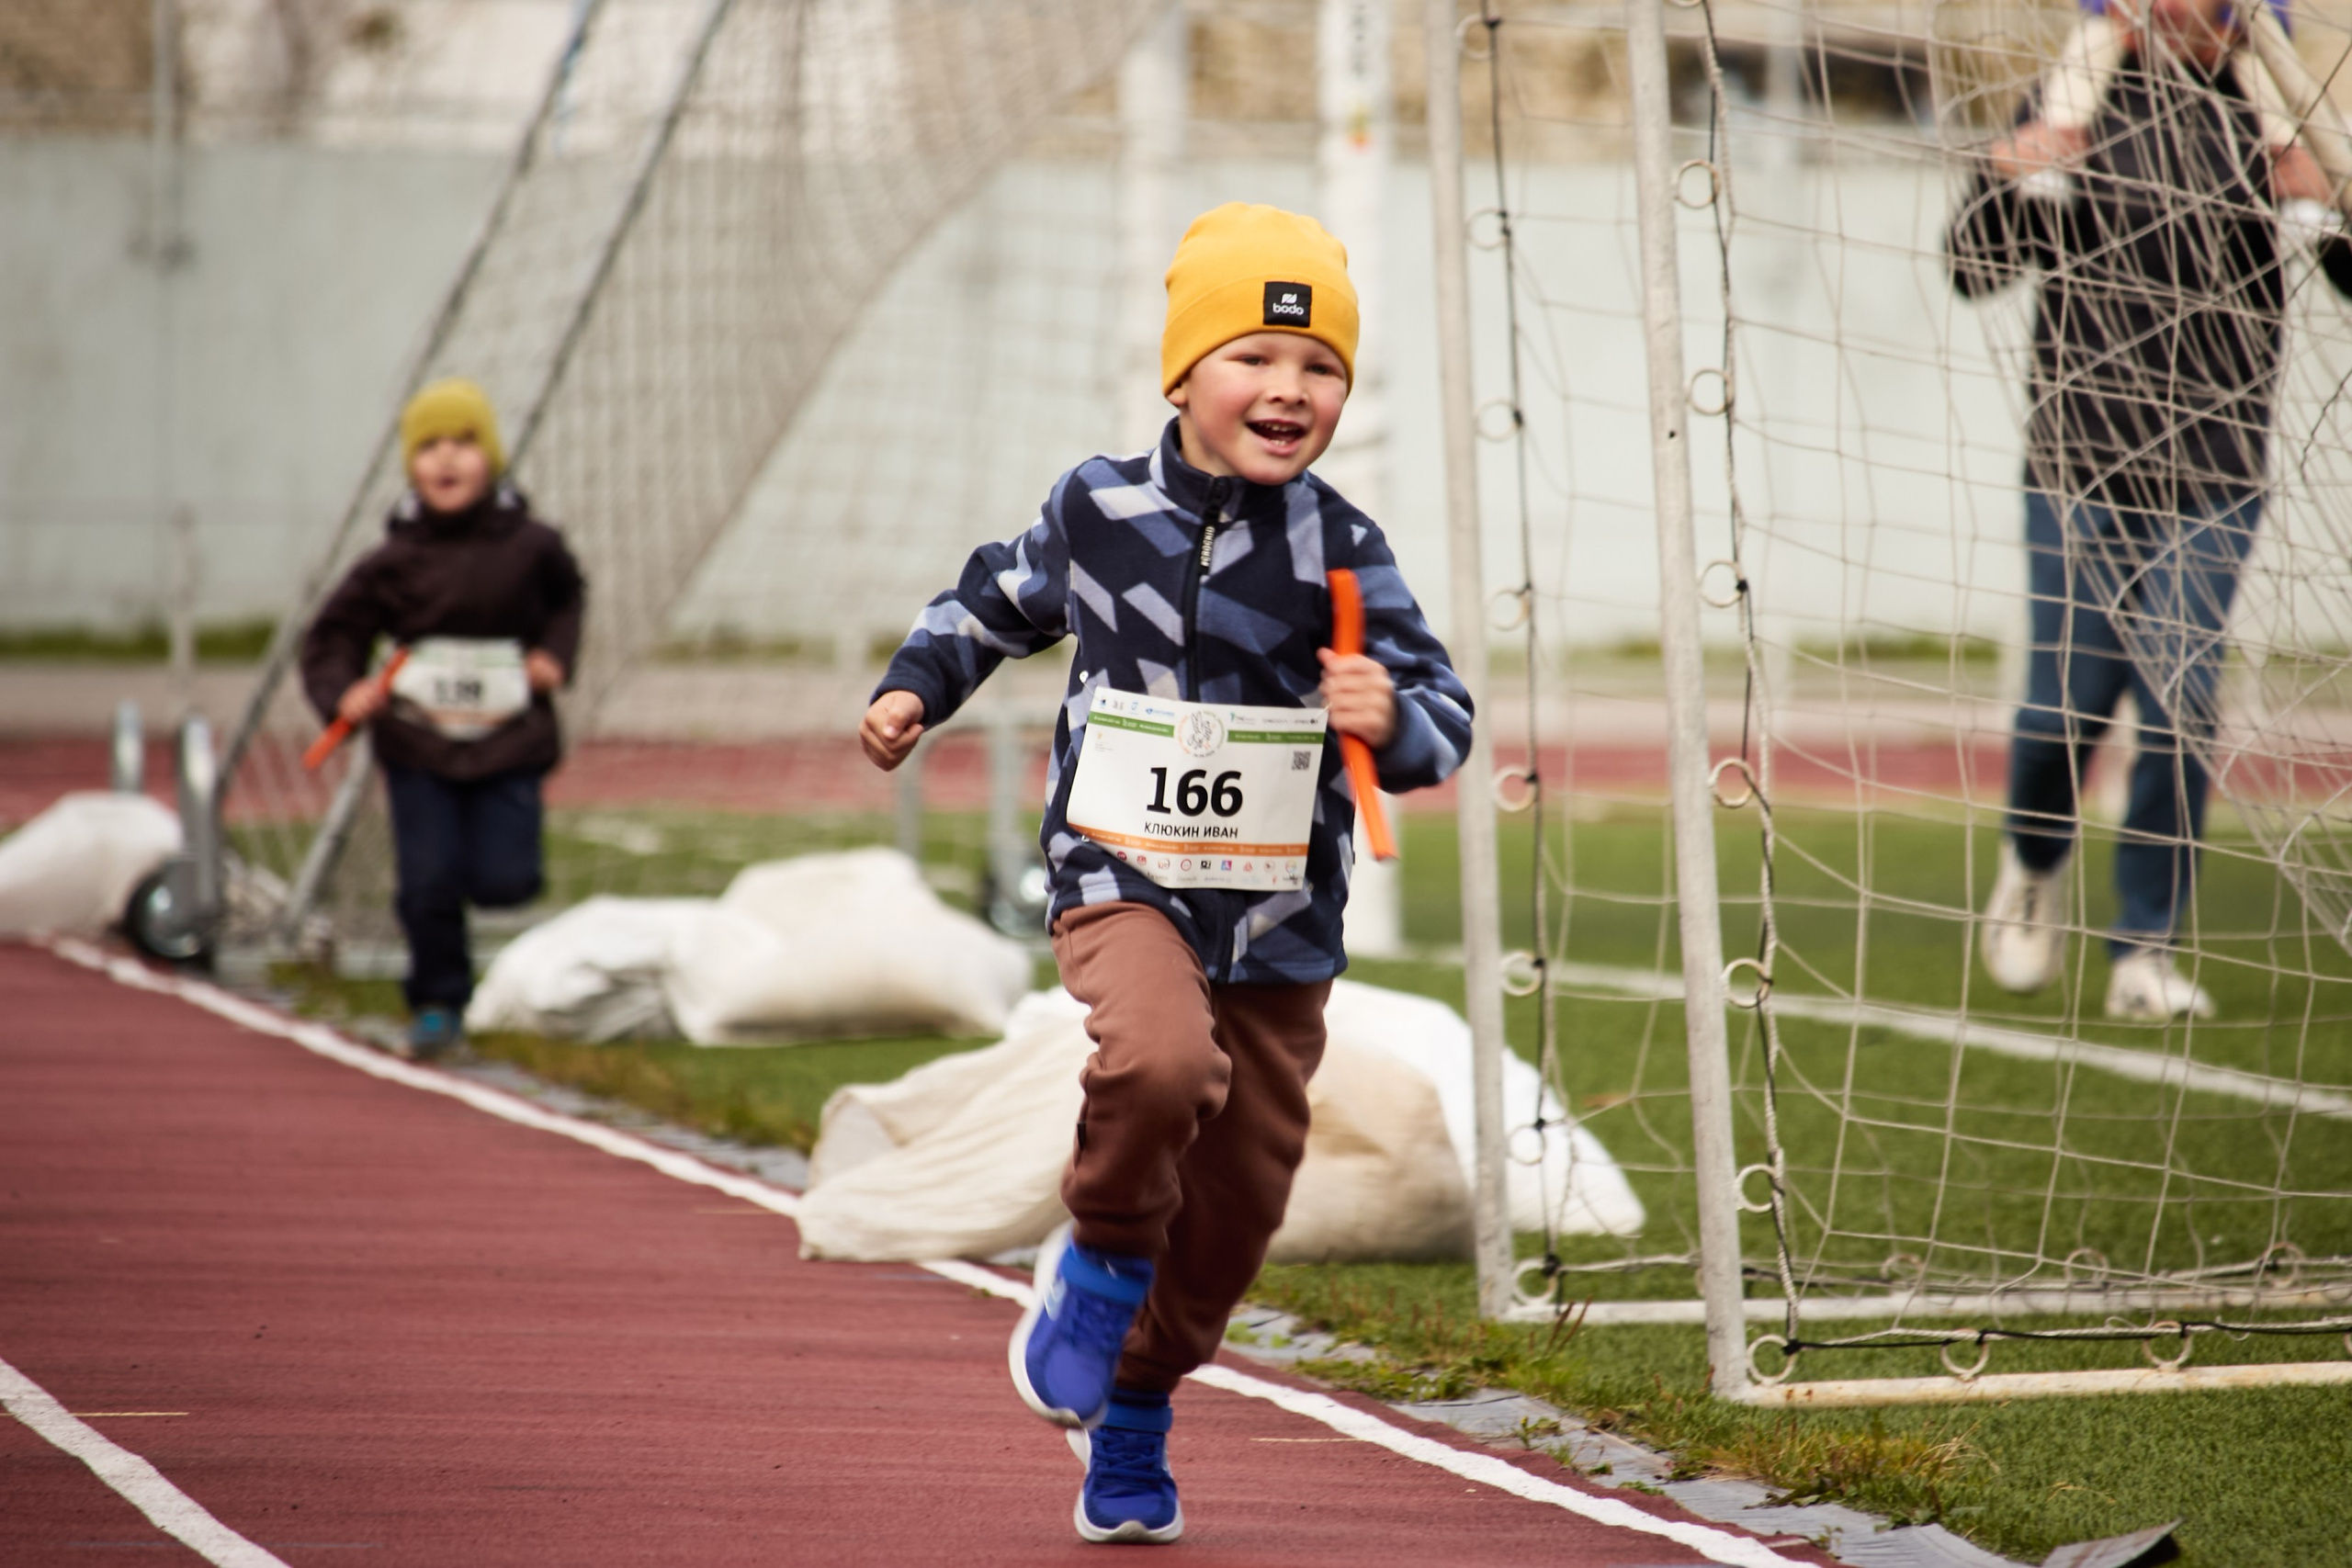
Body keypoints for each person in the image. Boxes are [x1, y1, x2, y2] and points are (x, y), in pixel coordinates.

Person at [860, 203, 1471, 1544]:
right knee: (1156, 1062)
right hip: (1121, 870)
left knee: (1246, 1193)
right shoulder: (1101, 507)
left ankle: (1136, 1407)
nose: (1289, 389)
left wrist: (1390, 717)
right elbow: (993, 599)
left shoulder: (1343, 545)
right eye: (1256, 356)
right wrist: (918, 686)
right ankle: (1097, 1261)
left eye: (1320, 369)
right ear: (1185, 372)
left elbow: (1443, 713)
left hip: (1280, 921)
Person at [1950, 0, 2352, 1020]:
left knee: (2179, 700)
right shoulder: (2080, 93)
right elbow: (1970, 268)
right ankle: (2034, 860)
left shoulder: (2272, 115)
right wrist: (2009, 174)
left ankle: (2142, 949)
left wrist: (2324, 203)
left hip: (2214, 470)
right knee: (2063, 711)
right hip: (2076, 464)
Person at [300, 379, 586, 1057]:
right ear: (411, 464)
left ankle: (473, 909)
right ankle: (437, 1001)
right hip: (419, 743)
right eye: (429, 446)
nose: (447, 459)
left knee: (504, 878)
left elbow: (569, 598)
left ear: (489, 455)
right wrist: (344, 693)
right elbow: (333, 636)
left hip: (507, 741)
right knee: (428, 880)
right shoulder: (392, 561)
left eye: (462, 442)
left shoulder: (532, 546)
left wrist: (554, 654)